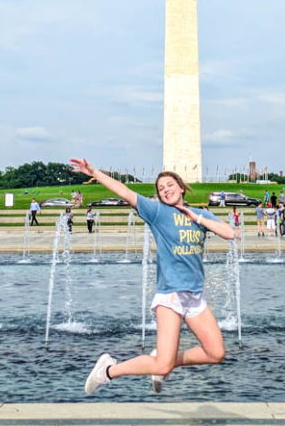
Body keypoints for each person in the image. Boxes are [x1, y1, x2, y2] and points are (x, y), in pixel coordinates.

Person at [70, 158, 235, 395]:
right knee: (162, 364)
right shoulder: (157, 212)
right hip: (170, 296)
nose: (165, 190)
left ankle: (162, 361)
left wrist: (195, 217)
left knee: (215, 353)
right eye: (160, 188)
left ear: (181, 187)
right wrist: (95, 172)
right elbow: (125, 192)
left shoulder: (200, 214)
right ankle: (107, 370)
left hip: (195, 296)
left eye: (169, 185)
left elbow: (230, 233)